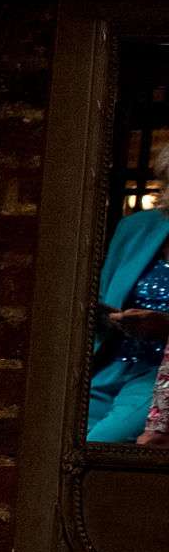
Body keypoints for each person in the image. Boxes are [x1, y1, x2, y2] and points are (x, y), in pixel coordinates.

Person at [88, 139, 169, 442]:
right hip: (109, 362)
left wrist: (164, 326)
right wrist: (109, 316)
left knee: (99, 442)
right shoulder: (136, 227)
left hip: (159, 375)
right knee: (56, 439)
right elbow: (101, 296)